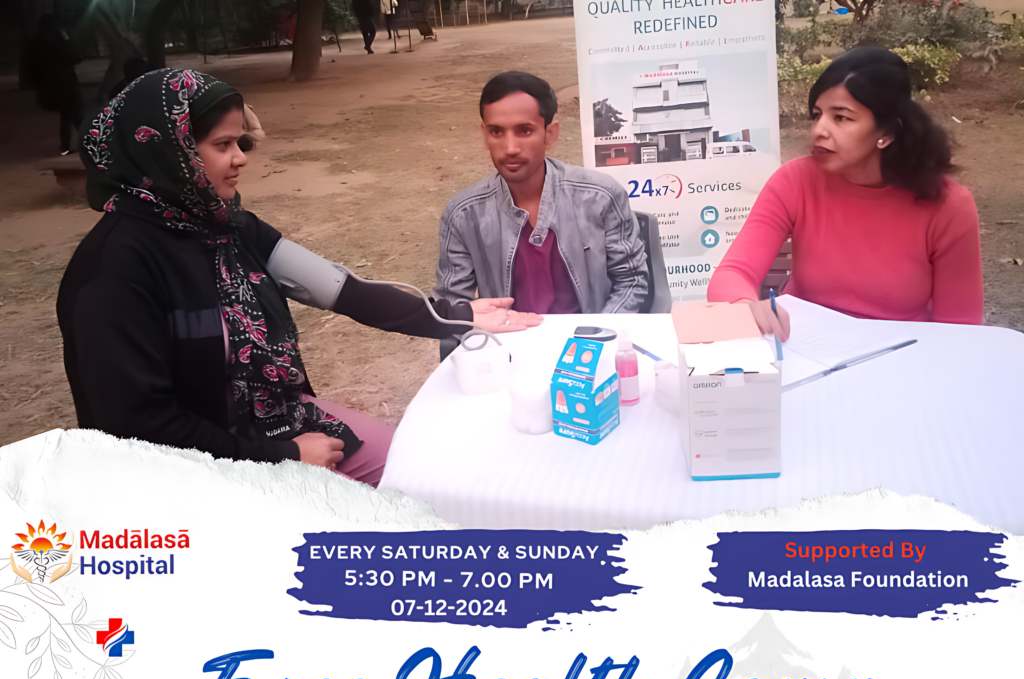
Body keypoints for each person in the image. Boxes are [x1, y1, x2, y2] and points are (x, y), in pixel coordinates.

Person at [57, 69, 539, 486]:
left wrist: (456, 314)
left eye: (240, 143)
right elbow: (138, 429)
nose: (241, 158)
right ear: (168, 152)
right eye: (222, 145)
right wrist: (283, 457)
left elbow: (342, 290)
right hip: (194, 474)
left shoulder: (228, 226)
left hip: (278, 421)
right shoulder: (112, 275)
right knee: (397, 498)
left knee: (424, 467)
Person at [707, 47, 983, 338]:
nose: (819, 130)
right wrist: (744, 305)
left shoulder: (948, 206)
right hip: (802, 349)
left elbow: (961, 329)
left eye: (841, 118)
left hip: (906, 357)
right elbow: (732, 273)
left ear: (886, 133)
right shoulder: (794, 181)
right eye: (817, 115)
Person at [434, 71, 650, 315]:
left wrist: (598, 333)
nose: (510, 148)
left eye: (524, 130)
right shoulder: (464, 214)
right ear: (485, 134)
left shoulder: (600, 196)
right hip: (506, 337)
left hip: (590, 335)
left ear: (550, 134)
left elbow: (631, 280)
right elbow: (451, 304)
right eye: (496, 132)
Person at [29, 15, 83, 155]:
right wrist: (67, 39)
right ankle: (84, 143)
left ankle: (67, 145)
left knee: (67, 116)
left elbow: (32, 67)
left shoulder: (36, 44)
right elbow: (76, 57)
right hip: (67, 84)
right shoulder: (60, 42)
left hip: (50, 85)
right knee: (74, 114)